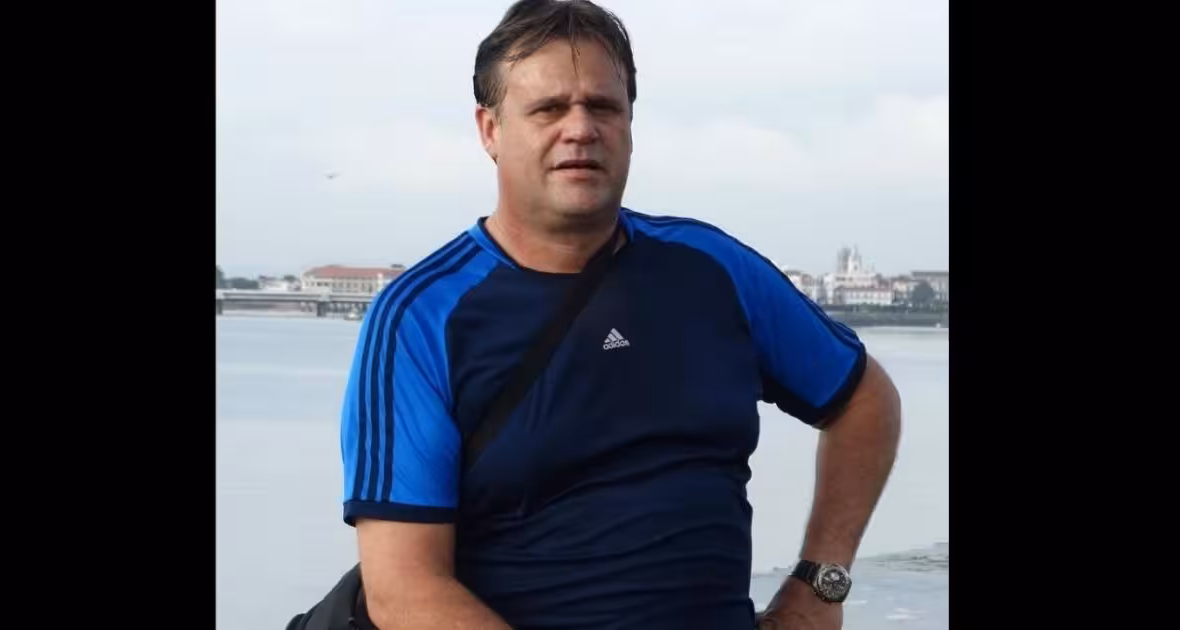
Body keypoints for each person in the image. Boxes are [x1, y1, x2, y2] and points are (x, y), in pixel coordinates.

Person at [337, 1, 901, 629]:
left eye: (603, 107)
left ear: (630, 124)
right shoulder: (422, 317)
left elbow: (864, 399)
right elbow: (404, 590)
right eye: (549, 108)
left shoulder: (712, 269)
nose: (580, 129)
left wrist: (819, 585)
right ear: (490, 130)